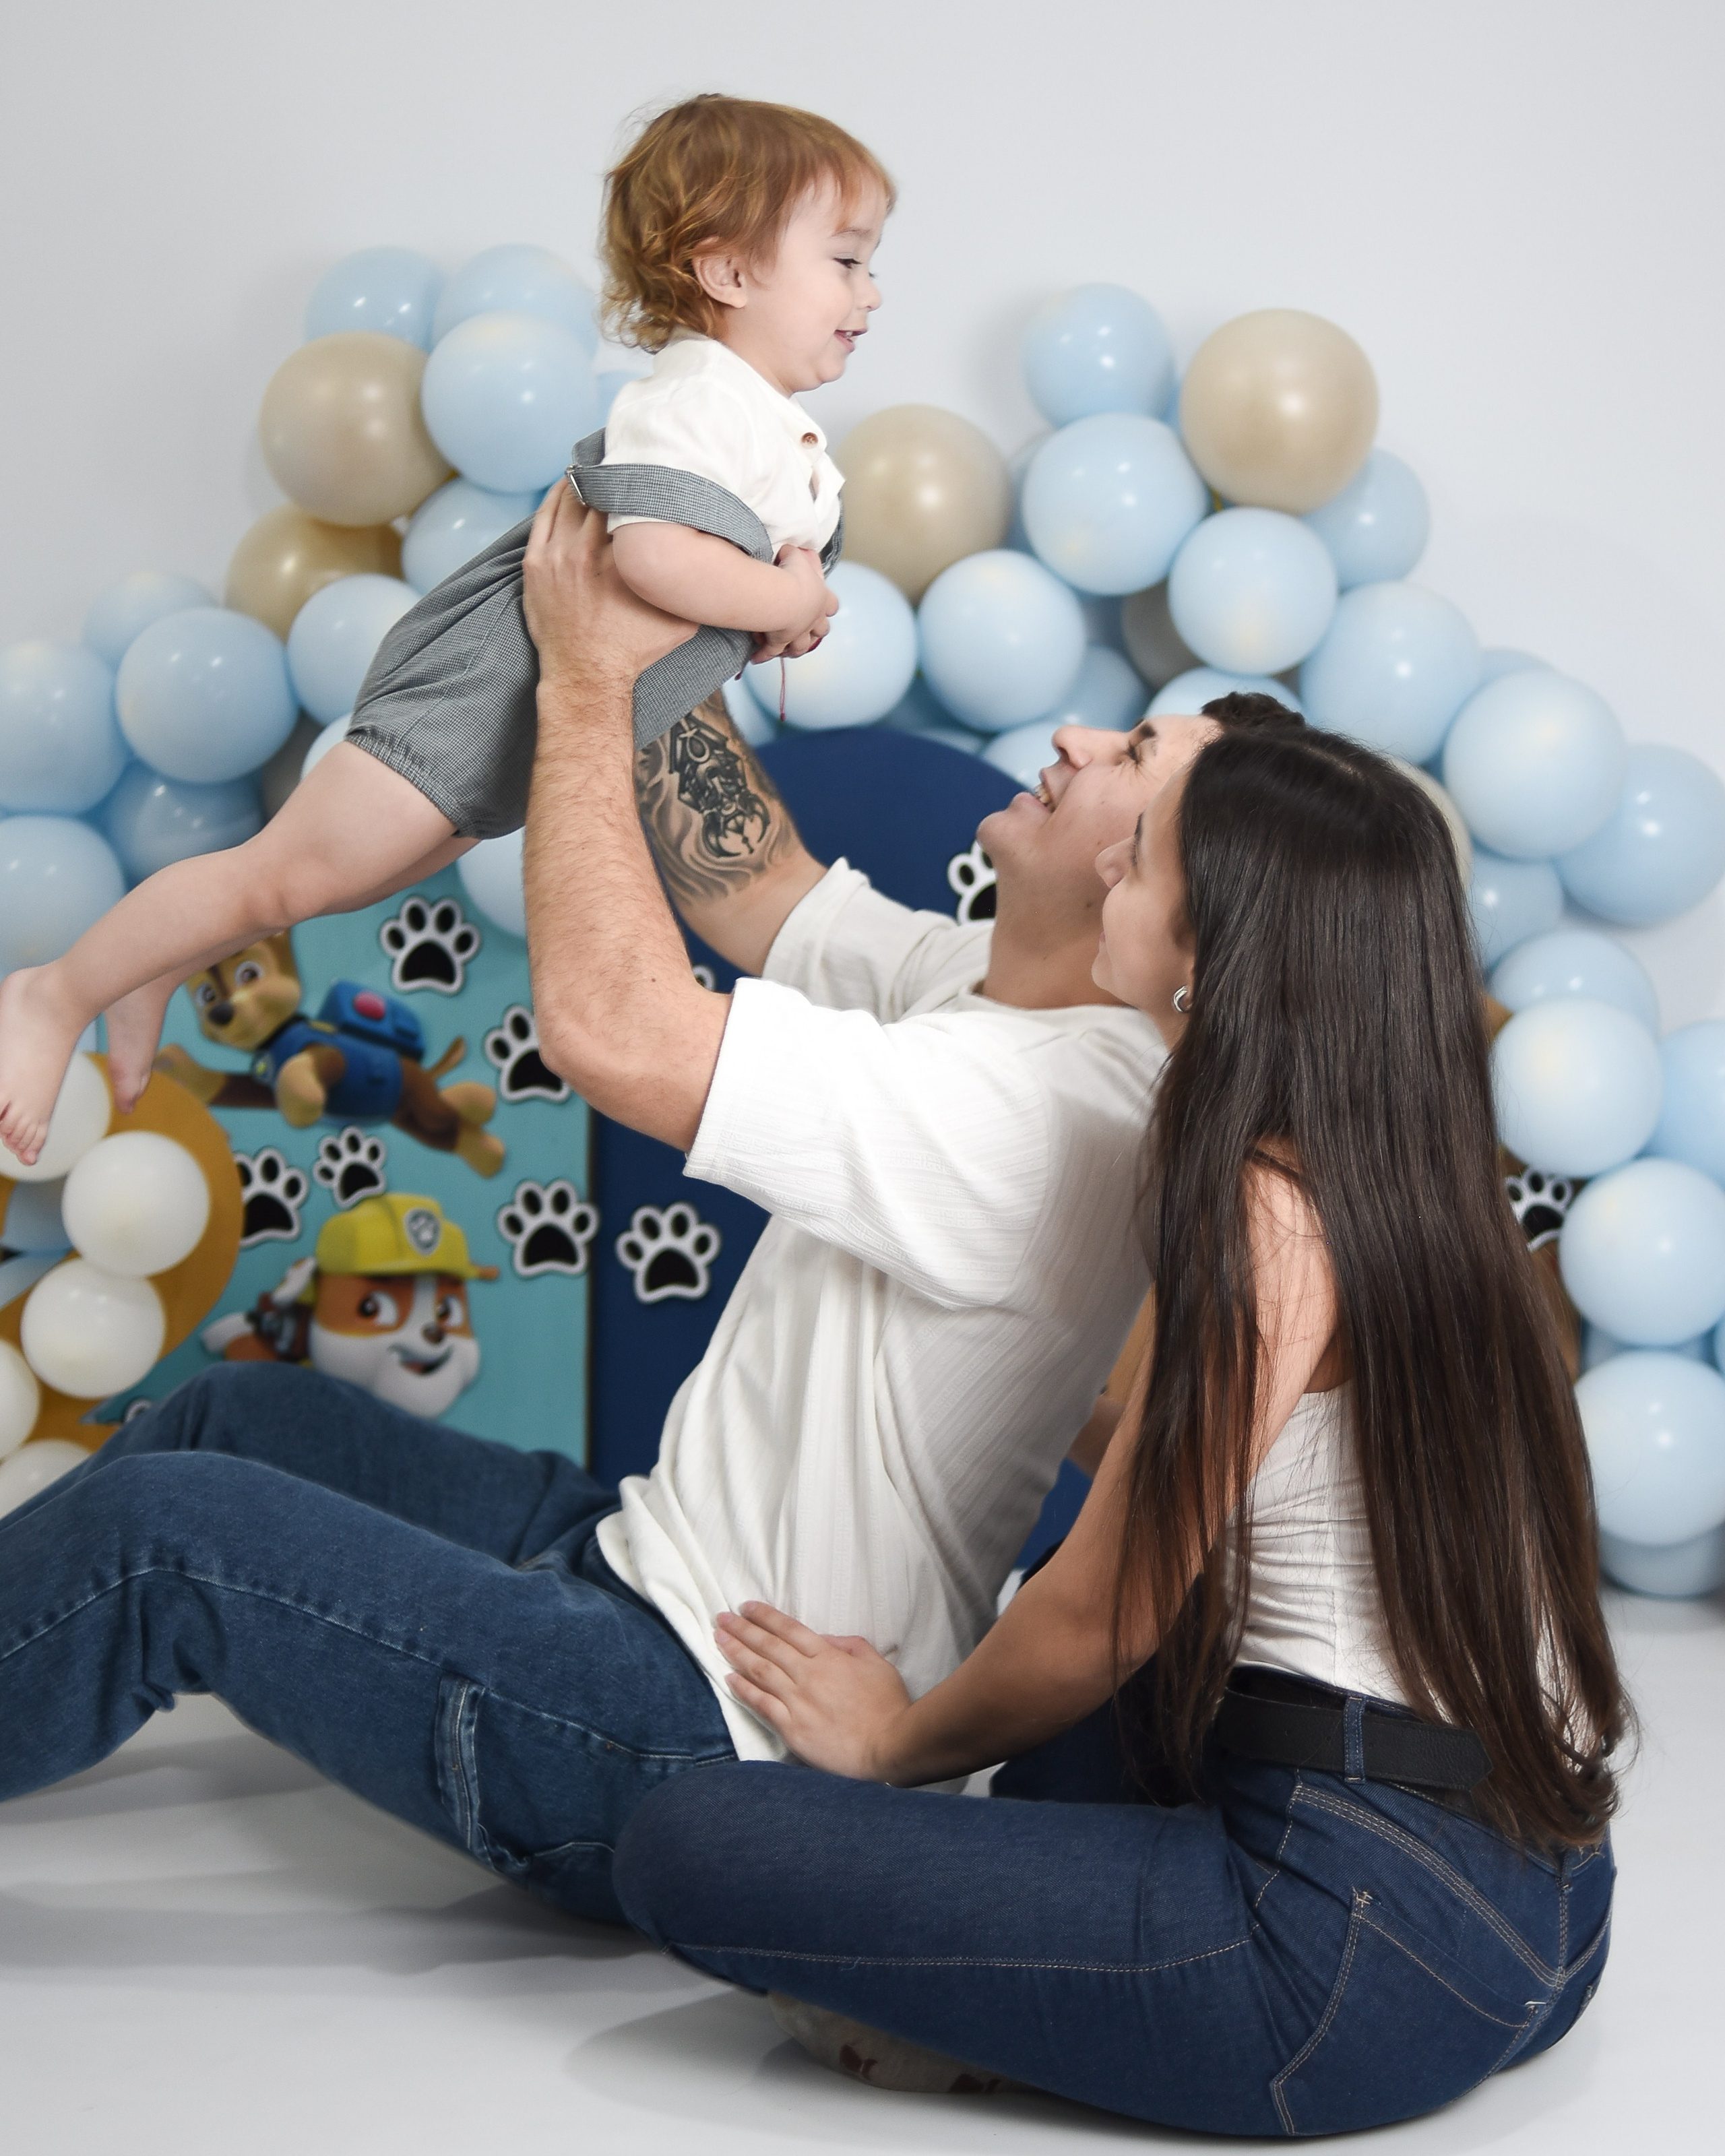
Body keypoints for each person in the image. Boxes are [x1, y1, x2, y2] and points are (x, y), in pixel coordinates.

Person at [0, 490, 1290, 1926]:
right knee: (233, 1423)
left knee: (165, 1535)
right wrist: (654, 575)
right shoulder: (994, 987)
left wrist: (585, 678)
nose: (1069, 739)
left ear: (1165, 890)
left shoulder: (1042, 1112)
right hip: (636, 1559)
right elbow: (750, 882)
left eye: (1129, 757)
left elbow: (609, 1029)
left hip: (685, 1722)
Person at [610, 723, 1629, 2139]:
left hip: (1352, 1949)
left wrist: (892, 1743)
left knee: (685, 1842)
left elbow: (1107, 1606)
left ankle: (1042, 2012)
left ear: (1204, 948)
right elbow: (1241, 1484)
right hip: (1549, 1899)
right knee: (1076, 1714)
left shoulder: (1266, 1203)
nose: (1108, 853)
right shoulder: (1405, 1162)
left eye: (1137, 852)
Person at [0, 92, 881, 1165]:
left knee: (327, 886)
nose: (869, 293)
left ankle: (149, 966)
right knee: (286, 875)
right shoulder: (700, 395)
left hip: (532, 726)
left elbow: (722, 583)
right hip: (486, 687)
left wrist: (775, 617)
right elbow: (652, 557)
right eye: (844, 261)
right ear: (729, 272)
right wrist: (787, 601)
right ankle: (51, 994)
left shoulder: (773, 429)